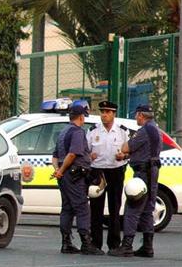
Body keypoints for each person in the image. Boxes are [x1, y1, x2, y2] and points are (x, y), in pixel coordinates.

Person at [109, 104, 162, 258]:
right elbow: (143, 152)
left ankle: (126, 245)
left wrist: (124, 152)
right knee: (146, 210)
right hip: (151, 171)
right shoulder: (155, 129)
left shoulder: (145, 130)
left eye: (136, 115)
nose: (135, 118)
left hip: (143, 174)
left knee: (132, 208)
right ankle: (147, 246)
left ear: (140, 115)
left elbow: (126, 147)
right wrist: (127, 157)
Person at [52, 105, 104, 255]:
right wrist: (61, 171)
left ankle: (66, 243)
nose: (84, 120)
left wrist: (58, 171)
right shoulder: (77, 132)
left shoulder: (63, 132)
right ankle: (86, 243)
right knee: (82, 208)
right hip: (74, 175)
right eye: (84, 117)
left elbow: (55, 156)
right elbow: (73, 154)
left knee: (67, 208)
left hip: (64, 176)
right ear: (81, 117)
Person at [87, 101, 129, 251]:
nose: (104, 115)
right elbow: (86, 151)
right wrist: (89, 156)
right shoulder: (93, 131)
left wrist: (123, 156)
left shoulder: (122, 132)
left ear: (114, 114)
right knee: (96, 209)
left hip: (115, 171)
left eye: (107, 112)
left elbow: (128, 152)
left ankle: (114, 244)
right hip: (97, 171)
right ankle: (95, 243)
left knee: (114, 208)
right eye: (102, 111)